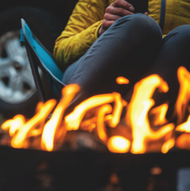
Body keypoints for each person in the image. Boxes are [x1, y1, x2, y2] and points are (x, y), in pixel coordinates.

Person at [53, 0, 190, 118]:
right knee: (141, 25)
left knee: (185, 36)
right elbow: (62, 51)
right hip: (85, 76)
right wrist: (101, 30)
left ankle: (125, 129)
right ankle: (61, 120)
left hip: (160, 81)